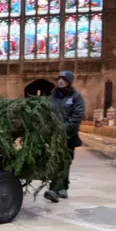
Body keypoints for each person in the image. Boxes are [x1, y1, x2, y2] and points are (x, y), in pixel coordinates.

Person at [44, 70, 85, 203]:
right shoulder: (52, 97)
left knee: (64, 162)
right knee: (57, 161)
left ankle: (55, 190)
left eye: (64, 79)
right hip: (54, 136)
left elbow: (77, 116)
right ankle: (62, 188)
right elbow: (46, 113)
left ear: (69, 82)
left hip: (69, 136)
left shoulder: (75, 97)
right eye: (59, 79)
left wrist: (64, 129)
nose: (60, 81)